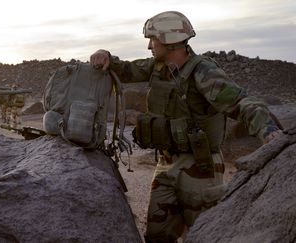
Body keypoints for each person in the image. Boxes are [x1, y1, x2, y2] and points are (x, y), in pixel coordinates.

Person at [90, 10, 282, 242]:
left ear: (169, 40)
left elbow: (242, 102)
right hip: (166, 163)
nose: (149, 46)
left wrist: (269, 132)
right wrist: (105, 56)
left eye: (153, 39)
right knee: (157, 235)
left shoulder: (203, 72)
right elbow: (126, 69)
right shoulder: (157, 67)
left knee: (205, 235)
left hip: (201, 168)